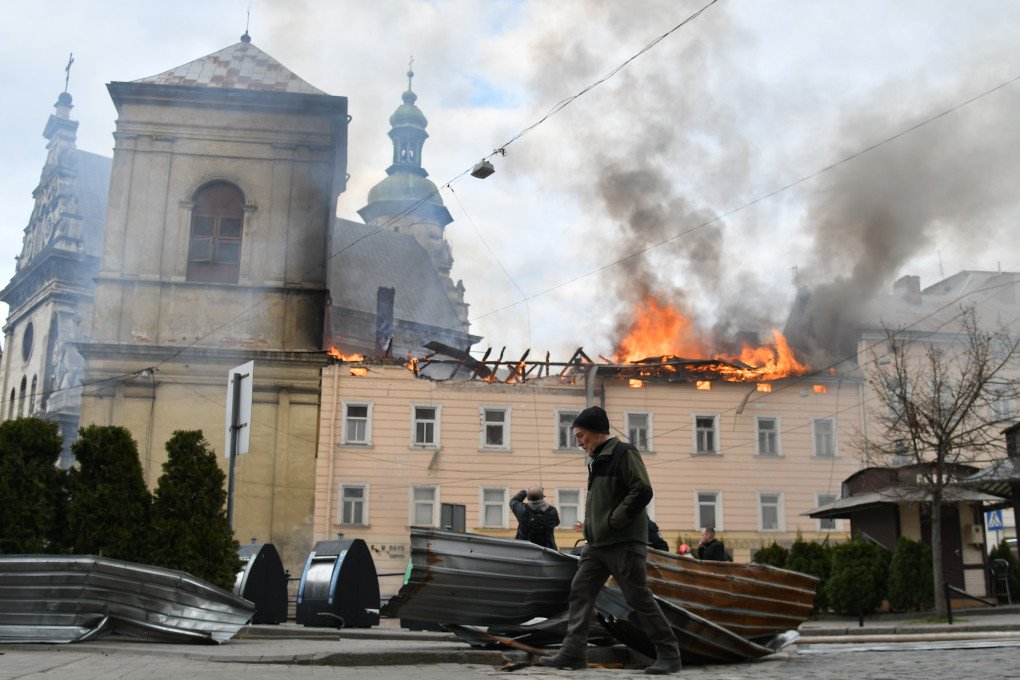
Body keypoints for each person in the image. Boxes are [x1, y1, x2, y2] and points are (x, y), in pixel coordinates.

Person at [539, 406, 681, 675]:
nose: (578, 441)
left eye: (581, 435)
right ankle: (573, 652)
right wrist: (595, 528)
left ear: (596, 432)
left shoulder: (623, 453)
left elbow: (643, 490)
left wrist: (613, 522)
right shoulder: (597, 459)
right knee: (580, 591)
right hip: (597, 545)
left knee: (638, 597)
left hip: (623, 542)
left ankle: (669, 654)